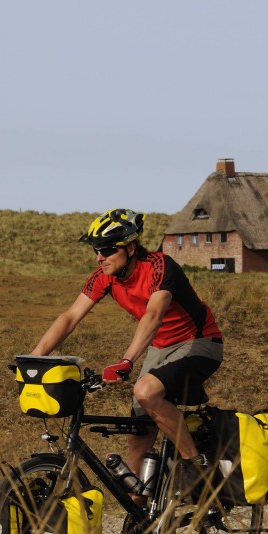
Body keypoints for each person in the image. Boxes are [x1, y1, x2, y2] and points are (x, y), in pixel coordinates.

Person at [28, 208, 224, 495]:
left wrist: (126, 361)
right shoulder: (105, 277)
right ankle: (138, 519)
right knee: (138, 434)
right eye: (96, 250)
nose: (99, 257)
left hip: (200, 343)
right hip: (160, 347)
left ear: (130, 248)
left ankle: (196, 463)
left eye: (106, 250)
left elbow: (154, 315)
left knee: (146, 392)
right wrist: (34, 357)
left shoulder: (160, 266)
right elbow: (70, 317)